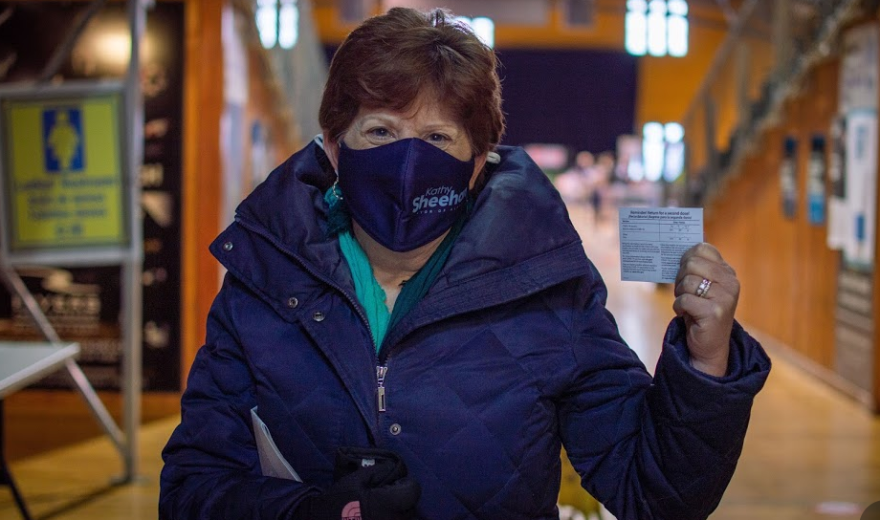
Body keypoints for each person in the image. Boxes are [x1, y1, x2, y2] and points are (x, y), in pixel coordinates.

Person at [159, 7, 770, 520]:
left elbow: (654, 491)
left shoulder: (548, 292)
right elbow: (192, 486)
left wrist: (705, 363)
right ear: (331, 149)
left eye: (438, 138)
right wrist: (310, 512)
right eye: (378, 131)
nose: (406, 160)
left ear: (479, 164)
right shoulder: (264, 282)